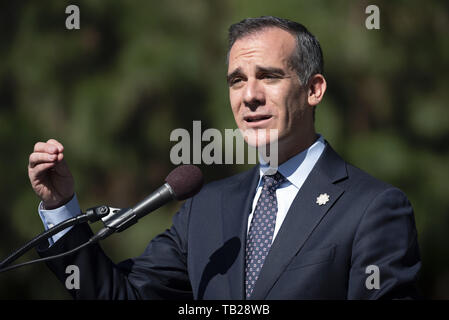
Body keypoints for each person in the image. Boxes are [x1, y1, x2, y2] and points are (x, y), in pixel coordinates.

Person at [28, 16, 421, 299]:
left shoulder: (373, 208)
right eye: (237, 80)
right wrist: (61, 207)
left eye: (268, 76)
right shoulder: (205, 207)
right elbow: (121, 295)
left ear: (313, 89)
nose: (249, 94)